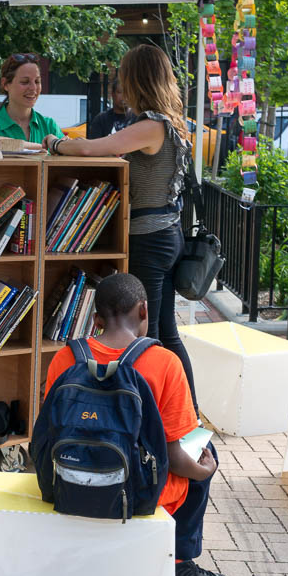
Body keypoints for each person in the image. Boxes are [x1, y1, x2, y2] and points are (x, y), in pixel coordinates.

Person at [40, 274, 228, 576]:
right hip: (136, 494)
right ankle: (180, 567)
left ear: (96, 319)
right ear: (144, 311)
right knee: (202, 445)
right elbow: (176, 457)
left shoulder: (65, 358)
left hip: (68, 484)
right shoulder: (165, 362)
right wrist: (204, 470)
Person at [47, 45, 196, 403]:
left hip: (150, 237)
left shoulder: (151, 125)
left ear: (138, 80)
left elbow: (89, 149)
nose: (122, 87)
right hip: (165, 234)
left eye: (125, 78)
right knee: (166, 332)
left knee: (150, 334)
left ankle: (171, 415)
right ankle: (186, 411)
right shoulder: (167, 122)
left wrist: (55, 143)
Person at [0, 53, 64, 152]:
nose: (33, 88)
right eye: (25, 82)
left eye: (37, 81)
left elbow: (82, 150)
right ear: (5, 84)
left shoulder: (49, 125)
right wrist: (45, 146)